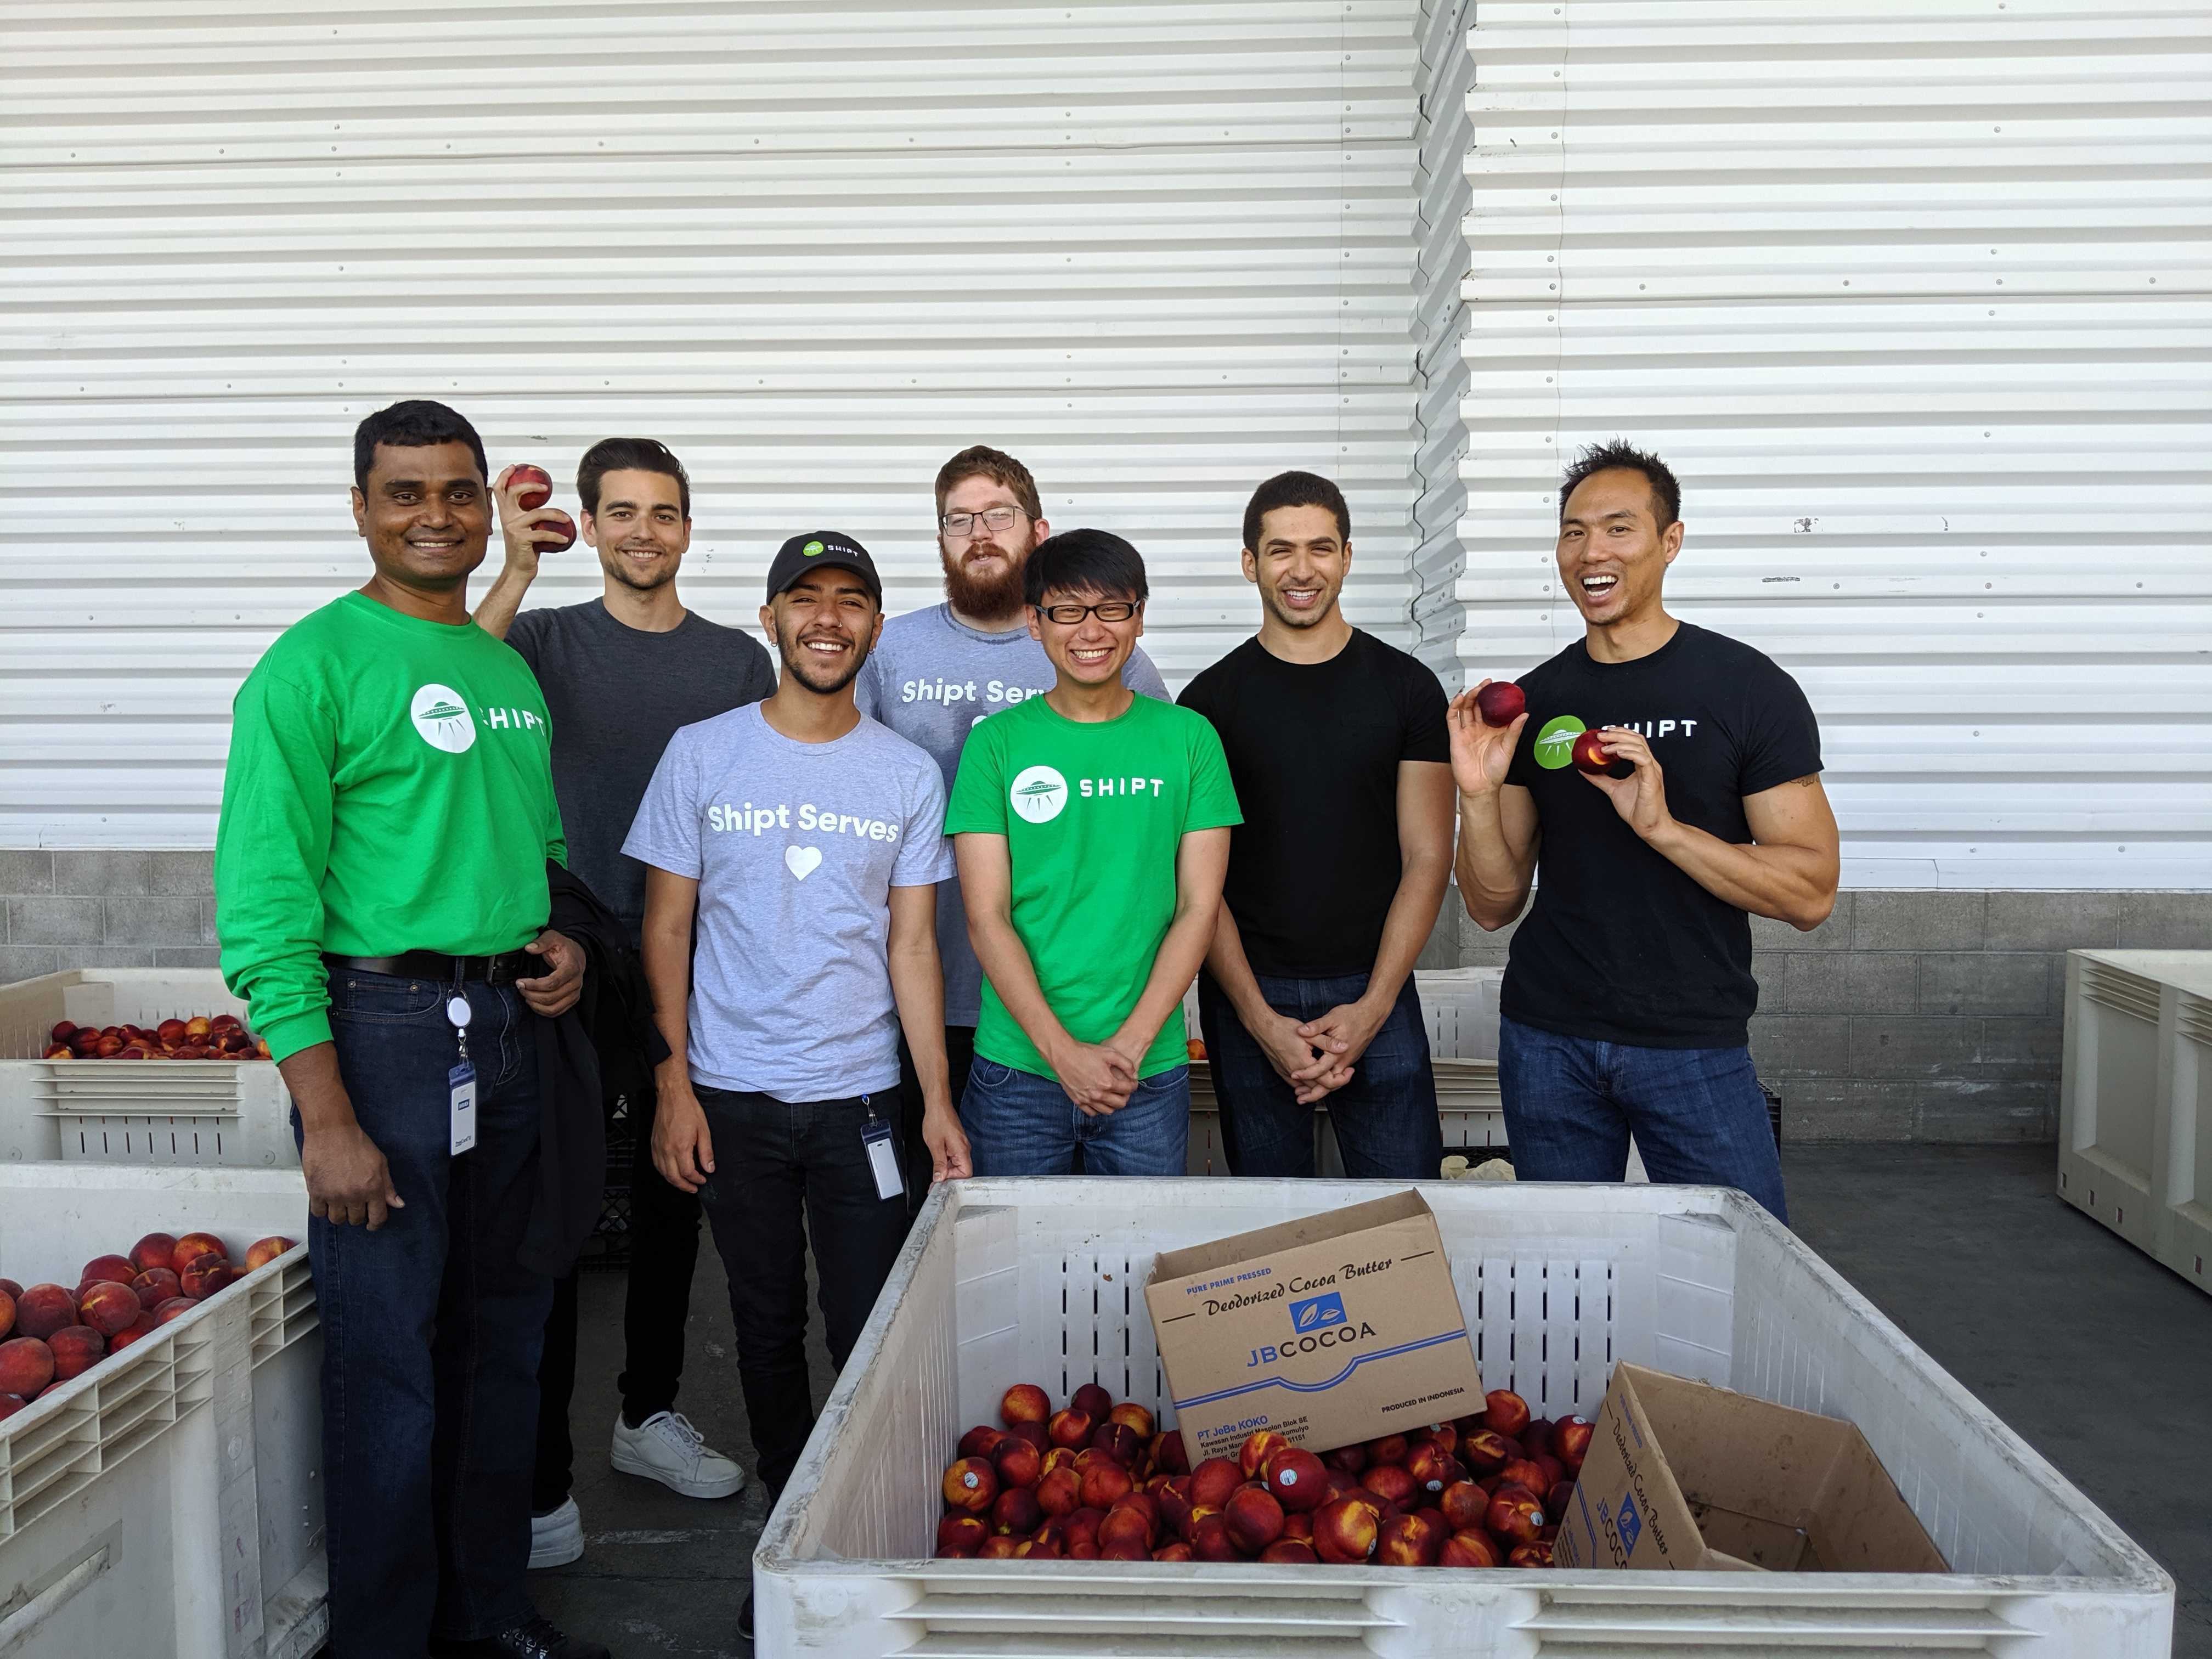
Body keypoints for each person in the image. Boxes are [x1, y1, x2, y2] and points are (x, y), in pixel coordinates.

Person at [214, 399, 608, 1659]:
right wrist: (325, 1113)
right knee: (390, 1360)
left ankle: (487, 1612)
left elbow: (531, 847)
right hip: (379, 1035)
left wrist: (555, 945)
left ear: (487, 505)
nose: (433, 515)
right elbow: (266, 913)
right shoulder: (311, 666)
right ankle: (382, 1641)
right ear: (361, 509)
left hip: (505, 1031)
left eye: (456, 492)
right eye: (405, 493)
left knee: (508, 1337)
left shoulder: (500, 668)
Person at [626, 532, 972, 1645]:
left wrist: (933, 1100)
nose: (829, 619)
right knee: (766, 1326)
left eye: (853, 602)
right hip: (732, 1095)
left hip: (864, 1100)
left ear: (875, 626)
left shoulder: (904, 772)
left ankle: (867, 1534)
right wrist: (673, 1083)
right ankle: (793, 1538)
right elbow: (666, 926)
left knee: (872, 1327)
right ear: (773, 618)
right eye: (807, 600)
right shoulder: (702, 753)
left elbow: (914, 948)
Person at [473, 438, 771, 1562]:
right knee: (550, 1217)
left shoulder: (737, 663)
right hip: (564, 952)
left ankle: (646, 1412)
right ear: (590, 527)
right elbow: (444, 681)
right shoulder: (542, 637)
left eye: (665, 513)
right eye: (623, 513)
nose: (644, 531)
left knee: (670, 1197)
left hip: (696, 961)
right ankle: (542, 1481)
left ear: (689, 530)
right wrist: (511, 567)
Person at [1449, 440, 1839, 1221]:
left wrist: (1665, 830)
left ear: (1671, 542)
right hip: (1546, 1038)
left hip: (1690, 1043)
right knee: (1564, 1270)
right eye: (1573, 532)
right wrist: (1479, 796)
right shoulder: (1538, 700)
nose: (1592, 551)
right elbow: (1492, 906)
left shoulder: (1746, 688)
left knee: (1741, 1259)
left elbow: (1810, 892)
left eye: (1619, 528)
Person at [856, 445, 1170, 1201]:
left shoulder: (1102, 648)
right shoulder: (890, 650)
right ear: (940, 540)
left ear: (1037, 529)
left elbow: (1156, 813)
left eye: (998, 514)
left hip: (1065, 995)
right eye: (958, 520)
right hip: (921, 987)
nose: (980, 533)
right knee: (936, 1216)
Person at [1180, 471, 1454, 1177]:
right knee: (1272, 1231)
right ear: (1251, 563)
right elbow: (1199, 886)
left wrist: (1373, 1007)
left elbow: (1428, 857)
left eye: (1321, 549)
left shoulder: (1406, 688)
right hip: (1250, 994)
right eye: (1280, 551)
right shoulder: (1207, 703)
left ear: (1348, 557)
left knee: (1406, 1214)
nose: (1302, 570)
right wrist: (1258, 1017)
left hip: (1376, 984)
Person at [947, 529, 1240, 1176]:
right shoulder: (996, 746)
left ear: (1138, 616)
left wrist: (1128, 1049)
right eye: (1068, 611)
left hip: (1147, 1073)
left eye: (1112, 608)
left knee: (1137, 1267)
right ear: (1034, 622)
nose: (1091, 631)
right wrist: (1062, 1054)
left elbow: (1199, 907)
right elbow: (986, 916)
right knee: (1013, 1271)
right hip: (1017, 1073)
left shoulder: (1190, 740)